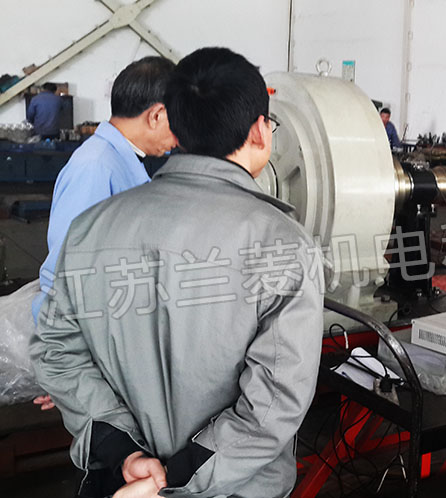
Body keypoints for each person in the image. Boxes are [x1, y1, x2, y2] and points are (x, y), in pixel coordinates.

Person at [29, 47, 324, 498]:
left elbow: (56, 349)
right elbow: (277, 398)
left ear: (175, 125)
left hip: (123, 482)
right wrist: (180, 475)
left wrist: (122, 450)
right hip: (233, 488)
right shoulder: (283, 244)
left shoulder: (91, 227)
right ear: (260, 130)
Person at [31, 56, 177, 328]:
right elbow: (67, 274)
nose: (179, 137)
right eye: (179, 122)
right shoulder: (95, 167)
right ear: (156, 116)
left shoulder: (120, 160)